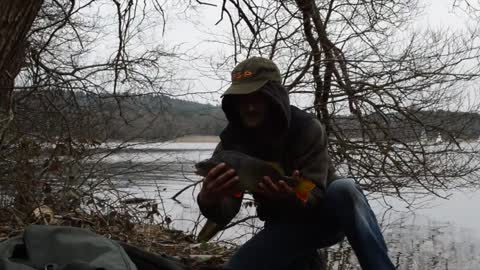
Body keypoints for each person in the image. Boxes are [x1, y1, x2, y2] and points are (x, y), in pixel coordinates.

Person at [196, 57, 396, 270]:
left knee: (345, 188)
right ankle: (306, 261)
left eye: (257, 97)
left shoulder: (307, 128)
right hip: (282, 226)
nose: (250, 107)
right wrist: (209, 199)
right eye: (242, 99)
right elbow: (226, 211)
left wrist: (290, 197)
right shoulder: (230, 146)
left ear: (273, 96)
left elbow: (317, 193)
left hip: (326, 218)